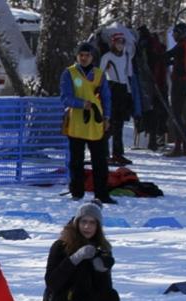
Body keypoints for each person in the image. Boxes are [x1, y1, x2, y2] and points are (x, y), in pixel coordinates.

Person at [41, 201, 148, 301]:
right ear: (77, 223)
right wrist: (74, 259)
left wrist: (102, 270)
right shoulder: (61, 246)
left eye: (92, 223)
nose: (87, 227)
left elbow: (105, 294)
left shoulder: (102, 249)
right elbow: (52, 283)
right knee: (104, 298)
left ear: (98, 226)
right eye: (84, 222)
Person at [60, 42, 115, 204]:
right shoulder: (69, 73)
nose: (84, 58)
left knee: (100, 160)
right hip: (76, 122)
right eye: (81, 55)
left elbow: (106, 98)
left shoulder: (99, 74)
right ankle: (77, 192)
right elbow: (65, 97)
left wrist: (107, 118)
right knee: (76, 161)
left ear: (92, 57)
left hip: (96, 123)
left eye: (87, 55)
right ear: (77, 56)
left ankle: (102, 193)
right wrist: (80, 103)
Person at [100, 32, 134, 165]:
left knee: (119, 124)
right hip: (111, 88)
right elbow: (100, 74)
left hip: (123, 89)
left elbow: (127, 75)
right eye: (118, 42)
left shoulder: (126, 56)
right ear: (113, 43)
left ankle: (118, 153)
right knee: (109, 122)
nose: (120, 45)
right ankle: (103, 153)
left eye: (122, 42)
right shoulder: (107, 57)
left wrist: (130, 93)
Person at [164, 22, 186, 157]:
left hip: (180, 83)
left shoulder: (182, 46)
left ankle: (180, 146)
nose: (174, 36)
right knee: (178, 114)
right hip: (184, 82)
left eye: (175, 33)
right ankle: (185, 145)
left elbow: (168, 55)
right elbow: (185, 63)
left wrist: (156, 55)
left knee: (176, 115)